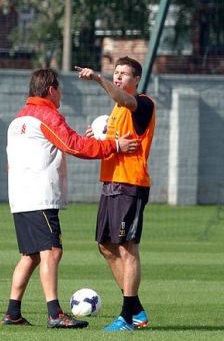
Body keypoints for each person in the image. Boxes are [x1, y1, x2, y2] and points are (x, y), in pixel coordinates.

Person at [2, 68, 139, 329]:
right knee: (52, 251)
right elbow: (75, 145)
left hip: (19, 196)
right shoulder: (46, 115)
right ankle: (55, 314)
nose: (61, 94)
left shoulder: (17, 120)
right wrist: (115, 146)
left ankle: (13, 312)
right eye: (60, 89)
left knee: (30, 256)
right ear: (51, 90)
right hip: (39, 196)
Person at [76, 56, 156, 331]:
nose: (119, 76)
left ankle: (126, 317)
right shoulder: (117, 109)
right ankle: (136, 309)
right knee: (105, 246)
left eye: (124, 74)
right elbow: (115, 141)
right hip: (110, 182)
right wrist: (99, 138)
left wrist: (99, 79)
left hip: (130, 184)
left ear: (136, 80)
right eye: (116, 72)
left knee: (126, 247)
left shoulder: (142, 103)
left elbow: (126, 101)